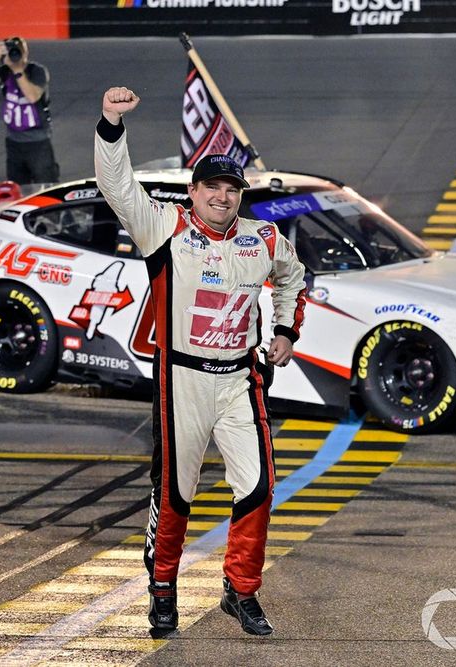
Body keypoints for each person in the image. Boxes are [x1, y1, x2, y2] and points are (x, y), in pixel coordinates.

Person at [95, 87, 306, 638]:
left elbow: (294, 276)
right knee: (176, 496)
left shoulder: (263, 237)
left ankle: (241, 592)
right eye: (211, 186)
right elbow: (115, 186)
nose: (222, 196)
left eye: (231, 188)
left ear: (241, 195)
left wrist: (284, 329)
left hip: (241, 378)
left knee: (259, 487)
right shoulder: (163, 225)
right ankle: (162, 592)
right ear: (193, 192)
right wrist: (112, 123)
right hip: (180, 377)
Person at [0, 37, 59, 185]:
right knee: (18, 187)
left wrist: (17, 71)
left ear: (25, 52)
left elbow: (33, 96)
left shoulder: (37, 71)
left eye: (18, 51)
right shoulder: (5, 71)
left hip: (38, 141)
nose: (16, 55)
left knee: (47, 186)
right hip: (14, 142)